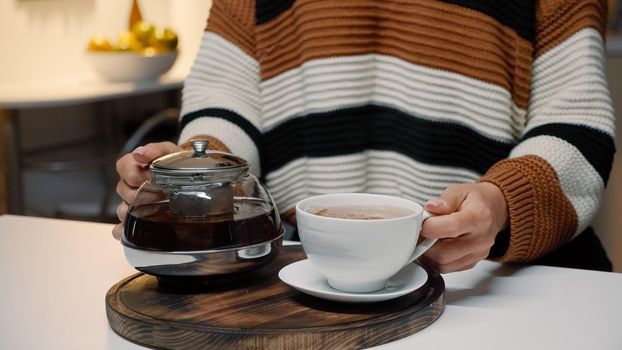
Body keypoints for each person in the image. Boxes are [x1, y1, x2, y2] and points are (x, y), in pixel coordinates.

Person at [113, 0, 616, 273]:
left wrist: (501, 203)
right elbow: (229, 93)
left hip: (496, 283)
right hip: (299, 283)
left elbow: (576, 123)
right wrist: (200, 177)